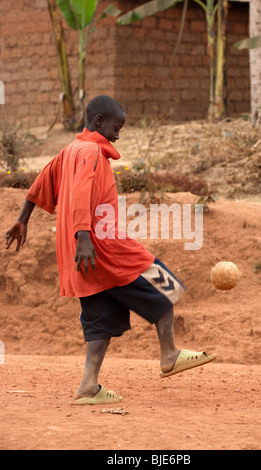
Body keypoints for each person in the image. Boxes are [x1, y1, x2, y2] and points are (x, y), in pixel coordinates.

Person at [4, 95, 216, 405]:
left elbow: (40, 183)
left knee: (101, 317)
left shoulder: (71, 149)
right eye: (117, 127)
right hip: (101, 246)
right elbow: (77, 197)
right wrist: (84, 237)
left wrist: (23, 219)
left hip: (81, 253)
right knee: (166, 284)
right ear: (100, 122)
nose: (119, 134)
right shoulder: (89, 152)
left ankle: (88, 386)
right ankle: (169, 353)